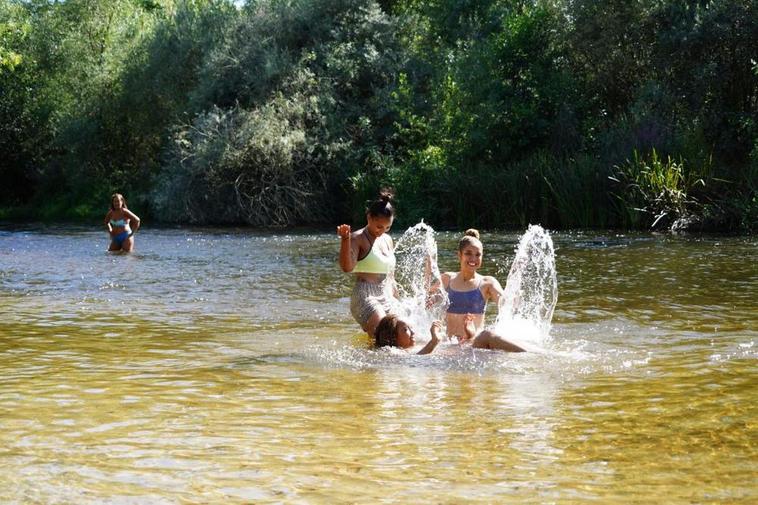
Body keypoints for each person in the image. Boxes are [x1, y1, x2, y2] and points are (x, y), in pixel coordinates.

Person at [337, 189, 398, 338]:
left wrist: (396, 298)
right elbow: (347, 267)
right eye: (379, 227)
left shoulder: (388, 239)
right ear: (369, 217)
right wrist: (345, 240)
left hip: (386, 293)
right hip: (365, 295)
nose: (382, 231)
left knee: (399, 336)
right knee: (383, 337)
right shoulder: (358, 238)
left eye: (387, 227)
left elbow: (391, 274)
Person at [374, 315, 442, 355]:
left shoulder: (408, 349)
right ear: (393, 337)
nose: (413, 332)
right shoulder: (392, 353)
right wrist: (434, 339)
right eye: (406, 329)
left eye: (411, 328)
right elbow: (417, 357)